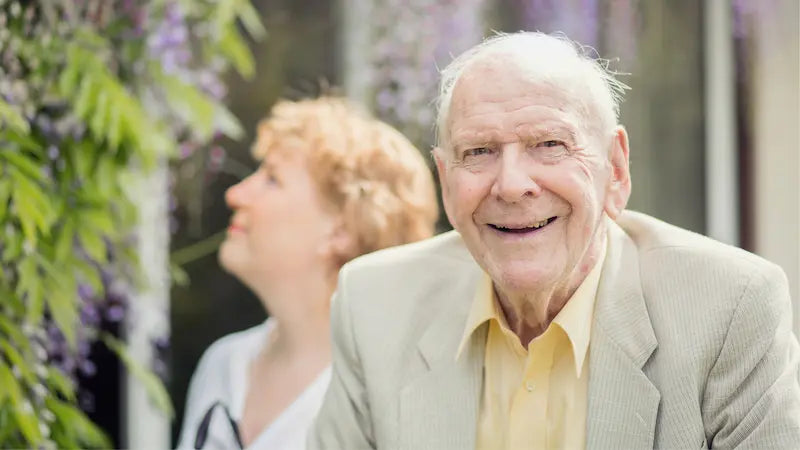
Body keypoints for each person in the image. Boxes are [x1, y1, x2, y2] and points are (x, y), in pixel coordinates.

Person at [309, 32, 800, 449]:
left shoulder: (730, 307)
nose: (511, 184)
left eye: (548, 144)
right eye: (479, 152)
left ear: (616, 167)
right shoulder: (372, 305)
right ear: (444, 179)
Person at [176, 97, 438, 450]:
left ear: (341, 230)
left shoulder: (385, 398)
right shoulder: (223, 364)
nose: (236, 194)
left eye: (272, 179)